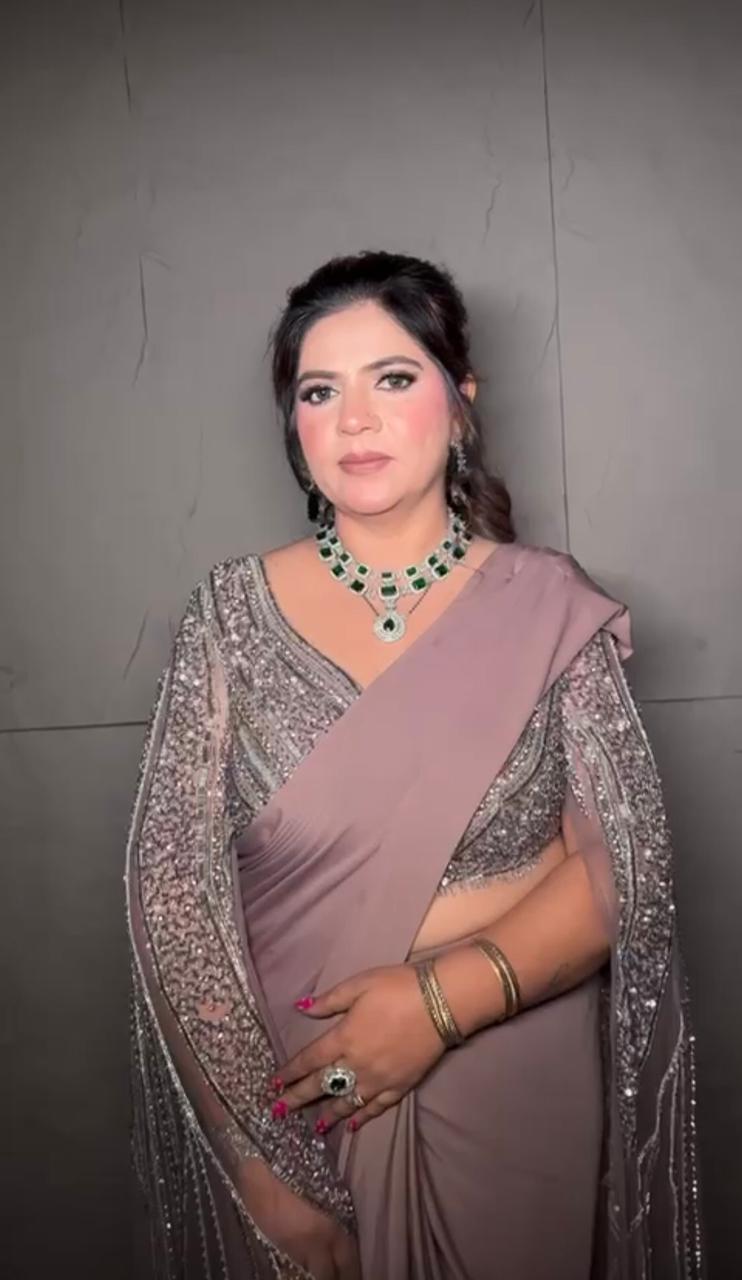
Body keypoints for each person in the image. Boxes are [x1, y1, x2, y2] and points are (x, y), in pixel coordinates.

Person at [125, 250, 704, 1280]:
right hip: (291, 1102)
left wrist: (440, 1003)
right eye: (319, 391)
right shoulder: (227, 615)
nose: (354, 419)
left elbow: (628, 864)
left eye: (392, 378)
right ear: (295, 428)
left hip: (510, 1089)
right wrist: (264, 1172)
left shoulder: (546, 603)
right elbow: (171, 898)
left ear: (460, 402)